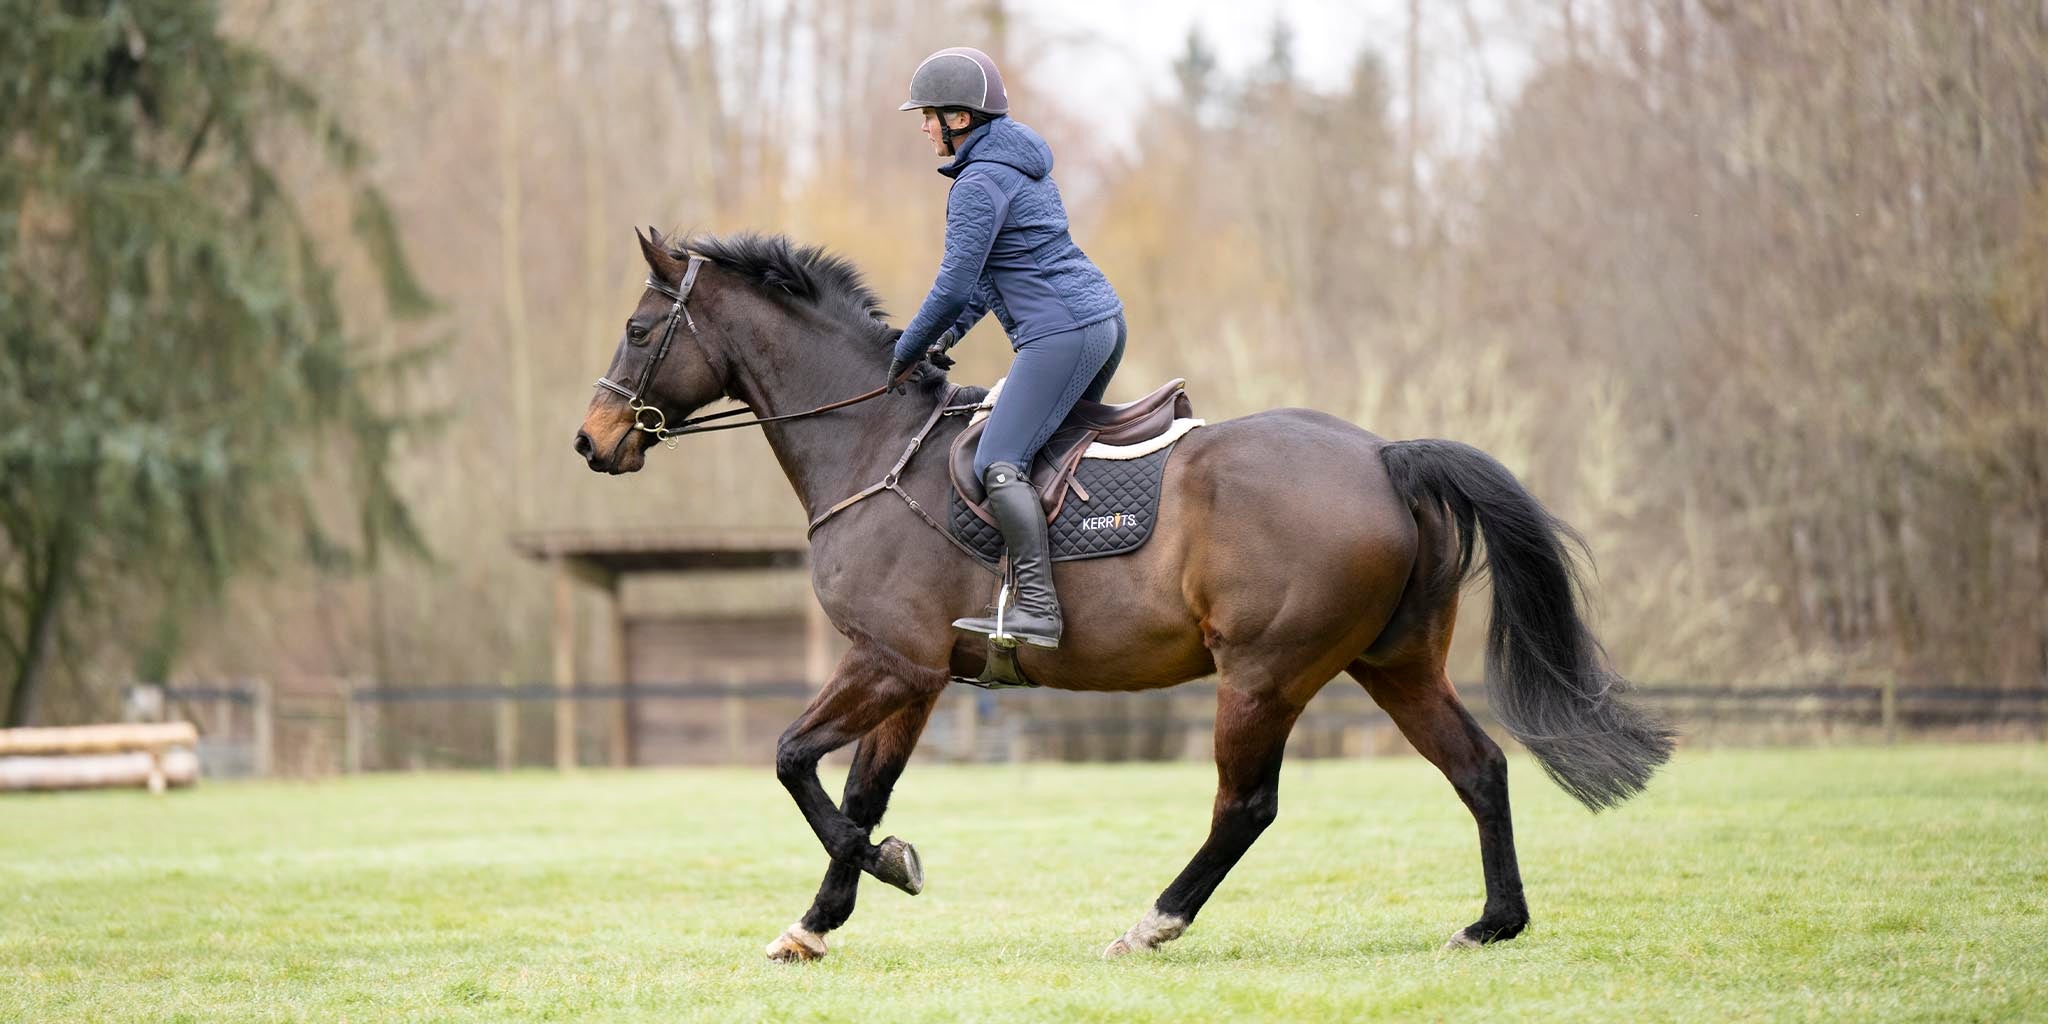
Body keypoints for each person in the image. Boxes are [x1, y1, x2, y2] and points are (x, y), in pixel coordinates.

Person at [887, 46, 1126, 651]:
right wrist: (942, 340)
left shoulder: (979, 181)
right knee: (1047, 456)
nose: (923, 127)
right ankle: (1091, 586)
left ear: (959, 119)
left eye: (929, 115)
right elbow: (989, 284)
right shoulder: (1017, 168)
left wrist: (904, 351)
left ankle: (1040, 611)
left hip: (1061, 335)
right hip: (1099, 324)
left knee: (999, 461)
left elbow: (953, 285)